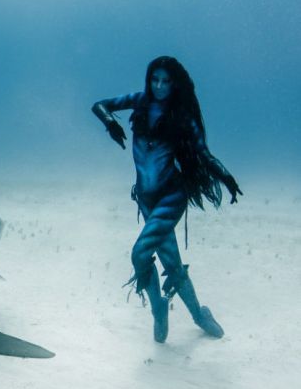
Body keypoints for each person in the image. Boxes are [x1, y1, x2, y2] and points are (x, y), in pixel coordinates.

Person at [91, 56, 242, 343]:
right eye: (154, 80)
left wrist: (226, 177)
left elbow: (203, 154)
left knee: (139, 254)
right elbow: (99, 104)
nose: (159, 86)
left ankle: (159, 308)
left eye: (165, 81)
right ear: (148, 80)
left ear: (175, 84)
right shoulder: (139, 100)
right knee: (171, 262)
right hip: (146, 198)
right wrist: (110, 122)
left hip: (171, 195)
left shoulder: (182, 116)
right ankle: (199, 314)